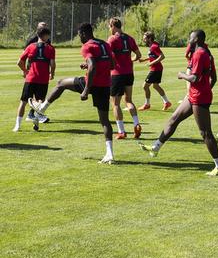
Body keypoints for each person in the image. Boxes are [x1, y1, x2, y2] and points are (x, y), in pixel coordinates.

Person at [140, 29, 218, 176]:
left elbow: (195, 78)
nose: (188, 39)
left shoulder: (200, 54)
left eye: (190, 37)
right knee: (174, 119)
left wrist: (182, 75)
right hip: (194, 95)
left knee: (205, 133)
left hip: (199, 98)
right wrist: (203, 90)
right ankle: (155, 148)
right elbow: (214, 78)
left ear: (197, 39)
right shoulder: (206, 52)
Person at [29, 22, 116, 164]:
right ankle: (110, 154)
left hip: (91, 83)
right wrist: (88, 65)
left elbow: (93, 66)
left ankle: (41, 108)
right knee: (104, 121)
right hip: (105, 85)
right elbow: (111, 65)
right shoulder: (104, 44)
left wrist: (86, 90)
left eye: (79, 35)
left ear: (83, 34)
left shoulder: (87, 46)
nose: (79, 37)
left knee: (61, 83)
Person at [14, 25, 55, 132]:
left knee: (23, 102)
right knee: (40, 102)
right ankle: (36, 121)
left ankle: (17, 126)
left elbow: (19, 62)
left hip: (30, 79)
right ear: (46, 36)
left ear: (37, 35)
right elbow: (53, 64)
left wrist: (25, 71)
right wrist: (52, 74)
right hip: (43, 80)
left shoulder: (30, 47)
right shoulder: (50, 48)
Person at [107, 17, 142, 139]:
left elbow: (107, 57)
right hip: (129, 73)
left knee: (115, 104)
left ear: (113, 26)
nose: (109, 29)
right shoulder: (129, 38)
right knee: (128, 101)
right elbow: (139, 55)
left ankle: (121, 131)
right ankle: (136, 124)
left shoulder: (112, 39)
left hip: (117, 74)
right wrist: (130, 60)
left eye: (109, 26)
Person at [139, 31, 172, 111]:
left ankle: (147, 104)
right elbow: (153, 56)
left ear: (149, 38)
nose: (143, 39)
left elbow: (162, 56)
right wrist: (145, 60)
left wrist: (151, 63)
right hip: (157, 69)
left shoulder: (154, 46)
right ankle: (166, 102)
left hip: (155, 69)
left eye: (145, 38)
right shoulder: (152, 45)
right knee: (155, 86)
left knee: (145, 86)